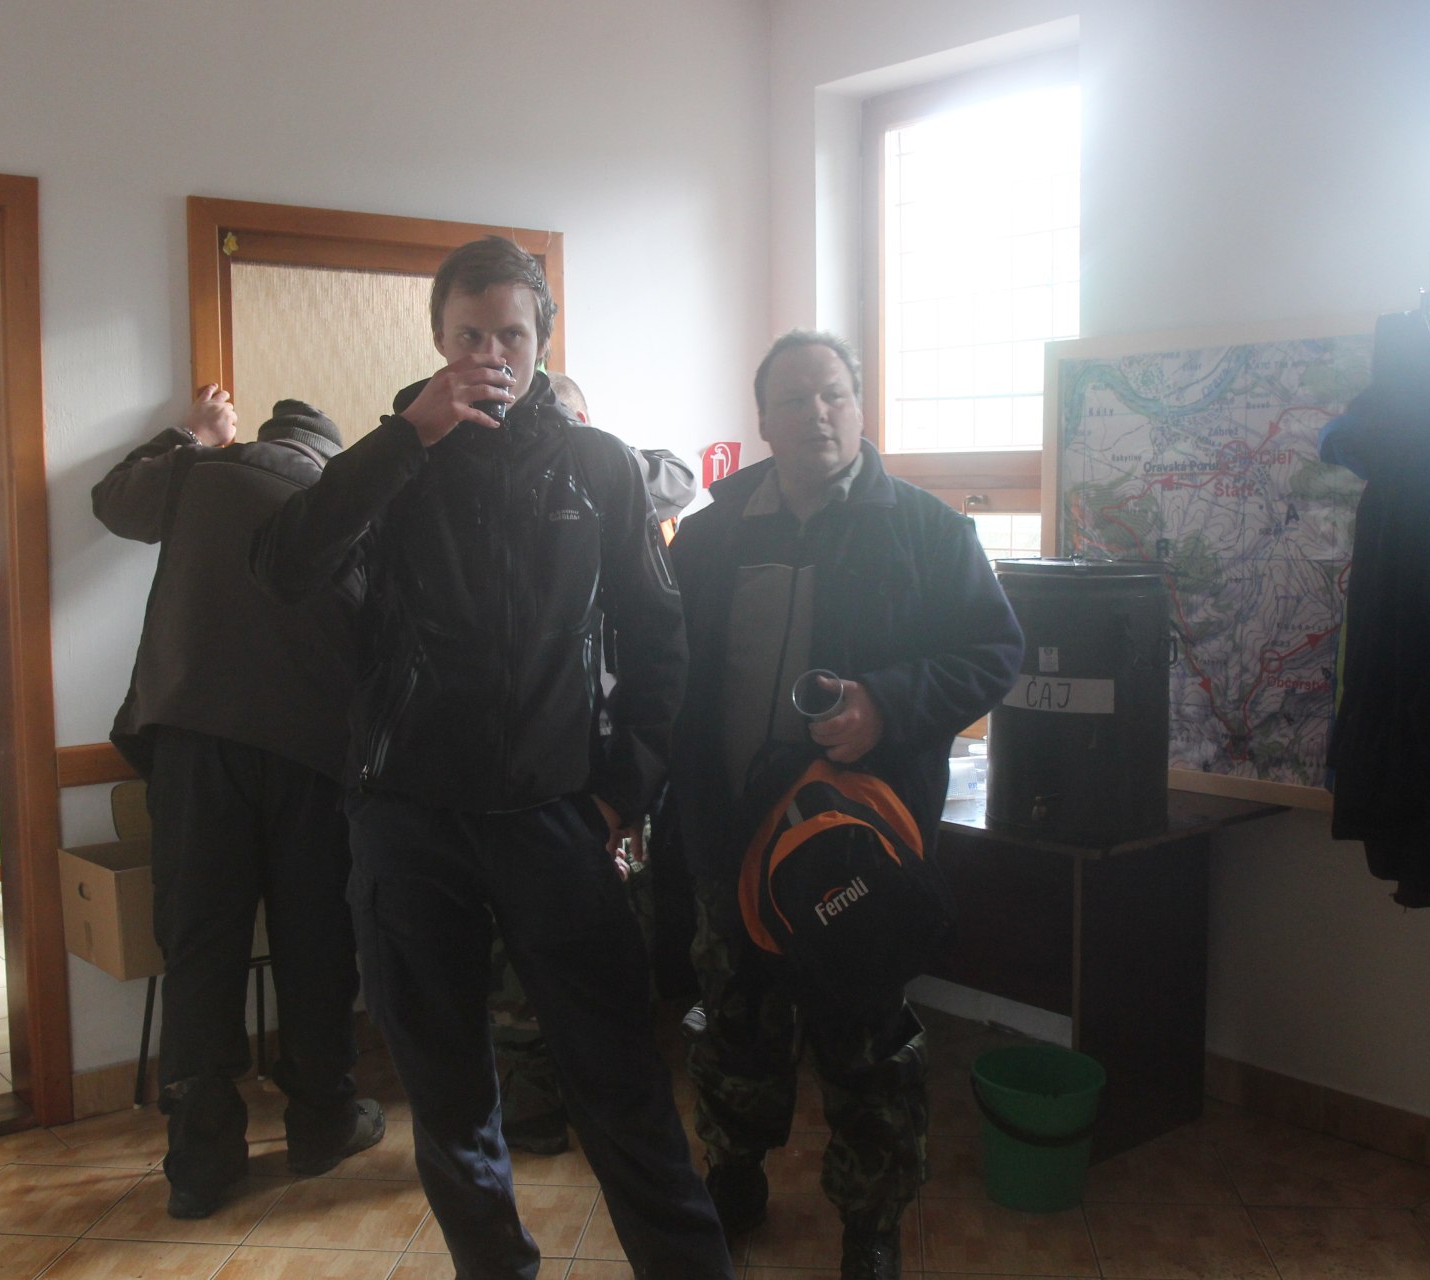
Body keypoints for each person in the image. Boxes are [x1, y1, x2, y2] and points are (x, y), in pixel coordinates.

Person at [254, 235, 733, 1280]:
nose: (489, 355)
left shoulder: (599, 466)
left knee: (621, 1080)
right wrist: (405, 437)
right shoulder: (394, 462)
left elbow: (660, 641)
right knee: (448, 1094)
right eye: (468, 335)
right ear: (439, 339)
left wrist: (621, 793)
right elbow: (284, 566)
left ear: (541, 341)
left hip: (556, 817)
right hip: (409, 819)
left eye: (509, 335)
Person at [667, 331, 1023, 1279]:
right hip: (729, 840)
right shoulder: (710, 535)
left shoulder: (928, 531)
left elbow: (995, 652)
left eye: (832, 394)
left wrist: (889, 704)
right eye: (793, 399)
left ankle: (871, 1222)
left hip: (859, 849)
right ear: (763, 420)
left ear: (859, 405)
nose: (816, 414)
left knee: (865, 1041)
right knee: (734, 1026)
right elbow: (669, 671)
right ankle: (734, 1175)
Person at [92, 388, 385, 1218]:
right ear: (329, 452)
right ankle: (322, 1122)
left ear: (266, 437)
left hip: (195, 745)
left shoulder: (201, 473)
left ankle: (200, 1161)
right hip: (314, 758)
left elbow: (111, 501)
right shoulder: (354, 497)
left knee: (200, 945)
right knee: (317, 944)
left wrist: (191, 432)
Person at [490, 371, 698, 1158]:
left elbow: (678, 474)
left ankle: (564, 1098)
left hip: (598, 774)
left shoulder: (609, 477)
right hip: (551, 773)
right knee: (540, 948)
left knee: (583, 938)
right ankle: (548, 1101)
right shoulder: (510, 492)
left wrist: (624, 793)